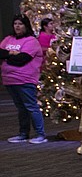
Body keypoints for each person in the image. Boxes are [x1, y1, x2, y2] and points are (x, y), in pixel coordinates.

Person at [1, 14, 47, 144]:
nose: (17, 26)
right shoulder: (8, 39)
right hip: (9, 79)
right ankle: (23, 133)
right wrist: (11, 53)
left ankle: (40, 134)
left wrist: (8, 56)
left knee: (31, 106)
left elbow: (22, 60)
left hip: (25, 79)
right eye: (15, 23)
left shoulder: (31, 41)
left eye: (20, 24)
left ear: (26, 26)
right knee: (21, 108)